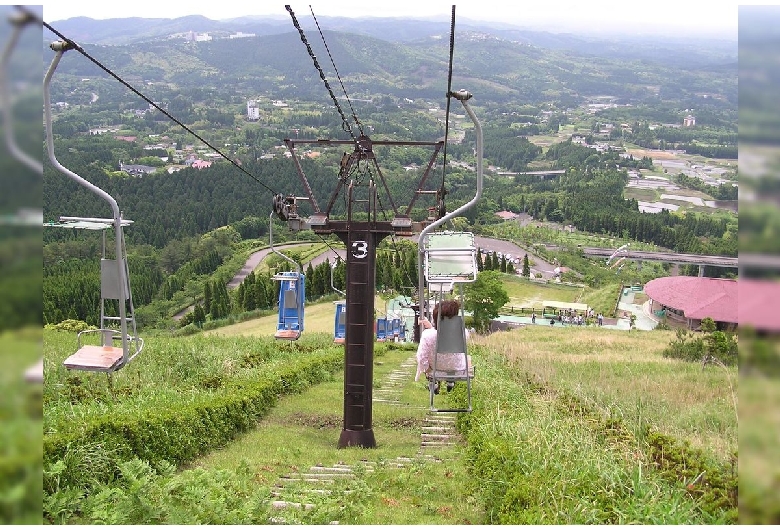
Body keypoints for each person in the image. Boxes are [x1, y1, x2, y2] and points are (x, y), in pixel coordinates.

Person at [415, 299, 469, 394]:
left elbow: (421, 357)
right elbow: (445, 335)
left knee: (429, 360)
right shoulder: (463, 333)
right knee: (466, 357)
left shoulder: (428, 335)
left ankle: (433, 383)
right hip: (457, 369)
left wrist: (427, 369)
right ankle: (450, 381)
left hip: (435, 369)